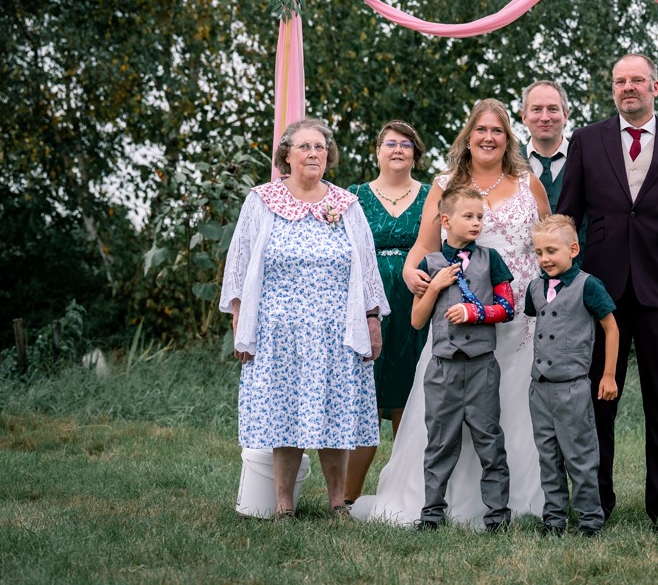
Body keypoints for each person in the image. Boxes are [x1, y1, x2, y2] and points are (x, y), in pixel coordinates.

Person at [352, 98, 551, 526]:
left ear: (508, 139)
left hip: (520, 321)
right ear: (468, 136)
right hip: (455, 319)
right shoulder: (445, 184)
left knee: (512, 411)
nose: (488, 138)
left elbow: (547, 242)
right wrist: (412, 272)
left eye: (497, 131)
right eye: (481, 130)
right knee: (448, 416)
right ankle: (438, 501)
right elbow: (424, 246)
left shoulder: (528, 183)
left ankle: (517, 502)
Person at [557, 54, 658, 534]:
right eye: (620, 80)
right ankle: (596, 502)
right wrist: (566, 284)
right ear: (613, 88)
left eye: (637, 80)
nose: (628, 87)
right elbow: (567, 218)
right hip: (601, 291)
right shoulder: (586, 141)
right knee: (598, 401)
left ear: (655, 87)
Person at [221, 117, 389, 520]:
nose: (314, 154)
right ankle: (284, 505)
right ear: (286, 155)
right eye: (305, 147)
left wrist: (372, 318)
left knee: (336, 415)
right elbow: (240, 262)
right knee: (284, 415)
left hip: (337, 330)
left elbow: (367, 266)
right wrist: (240, 320)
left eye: (320, 147)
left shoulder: (345, 205)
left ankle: (337, 503)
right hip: (278, 331)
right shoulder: (262, 200)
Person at [411, 186, 515, 531]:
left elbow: (508, 308)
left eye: (480, 217)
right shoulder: (430, 264)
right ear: (446, 221)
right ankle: (431, 514)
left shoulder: (491, 260)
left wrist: (475, 313)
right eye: (468, 216)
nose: (476, 223)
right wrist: (436, 285)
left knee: (490, 439)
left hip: (482, 366)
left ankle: (497, 516)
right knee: (440, 442)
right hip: (443, 369)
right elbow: (417, 320)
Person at [343, 121, 431, 504]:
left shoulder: (431, 195)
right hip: (368, 307)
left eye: (406, 144)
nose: (398, 150)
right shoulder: (354, 195)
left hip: (417, 305)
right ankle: (346, 498)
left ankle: (406, 497)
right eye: (390, 143)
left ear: (415, 154)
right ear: (377, 151)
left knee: (410, 397)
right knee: (367, 398)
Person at [525, 214, 620, 537]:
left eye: (551, 251)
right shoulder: (535, 288)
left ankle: (590, 519)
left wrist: (608, 375)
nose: (545, 259)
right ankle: (553, 519)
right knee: (548, 455)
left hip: (573, 387)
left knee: (580, 456)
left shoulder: (588, 285)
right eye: (539, 252)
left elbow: (611, 328)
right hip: (540, 388)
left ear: (573, 249)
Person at [521, 80, 571, 206]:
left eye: (552, 109)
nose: (544, 118)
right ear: (524, 117)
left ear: (565, 115)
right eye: (537, 109)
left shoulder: (587, 160)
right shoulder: (507, 164)